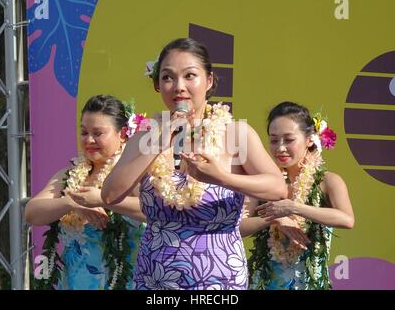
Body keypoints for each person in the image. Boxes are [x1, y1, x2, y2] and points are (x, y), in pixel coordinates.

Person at [101, 38, 287, 290]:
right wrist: (158, 144)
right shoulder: (145, 137)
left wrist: (222, 177)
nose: (179, 87)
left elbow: (277, 188)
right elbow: (110, 194)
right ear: (157, 85)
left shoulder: (236, 134)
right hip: (156, 278)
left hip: (219, 279)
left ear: (208, 81)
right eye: (167, 78)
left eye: (190, 76)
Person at [25, 95, 146, 290]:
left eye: (98, 133)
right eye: (84, 132)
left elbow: (156, 211)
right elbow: (32, 212)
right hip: (74, 282)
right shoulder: (69, 175)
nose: (89, 140)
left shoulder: (131, 172)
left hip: (124, 282)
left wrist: (104, 201)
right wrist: (71, 203)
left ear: (122, 134)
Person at [245, 101, 355, 290]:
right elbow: (237, 227)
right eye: (273, 140)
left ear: (310, 139)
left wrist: (294, 207)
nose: (280, 148)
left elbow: (347, 220)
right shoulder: (264, 182)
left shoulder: (327, 181)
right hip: (265, 284)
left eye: (289, 139)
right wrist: (275, 219)